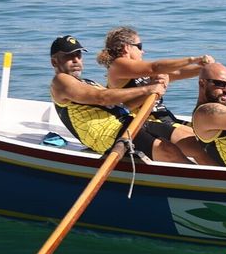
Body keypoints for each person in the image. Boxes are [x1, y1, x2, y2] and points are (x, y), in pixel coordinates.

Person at [47, 35, 182, 163]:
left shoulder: (88, 83)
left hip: (126, 122)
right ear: (54, 61)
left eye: (78, 55)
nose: (76, 60)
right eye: (69, 56)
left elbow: (124, 106)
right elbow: (102, 98)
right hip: (107, 135)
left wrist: (152, 88)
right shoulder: (60, 81)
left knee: (186, 140)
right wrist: (147, 89)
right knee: (167, 150)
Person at [97, 26, 213, 164]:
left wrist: (204, 68)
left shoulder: (139, 69)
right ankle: (213, 174)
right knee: (198, 144)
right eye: (139, 46)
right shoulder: (118, 66)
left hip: (164, 117)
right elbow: (155, 67)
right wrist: (193, 59)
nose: (143, 51)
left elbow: (177, 73)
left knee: (210, 138)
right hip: (145, 122)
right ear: (126, 48)